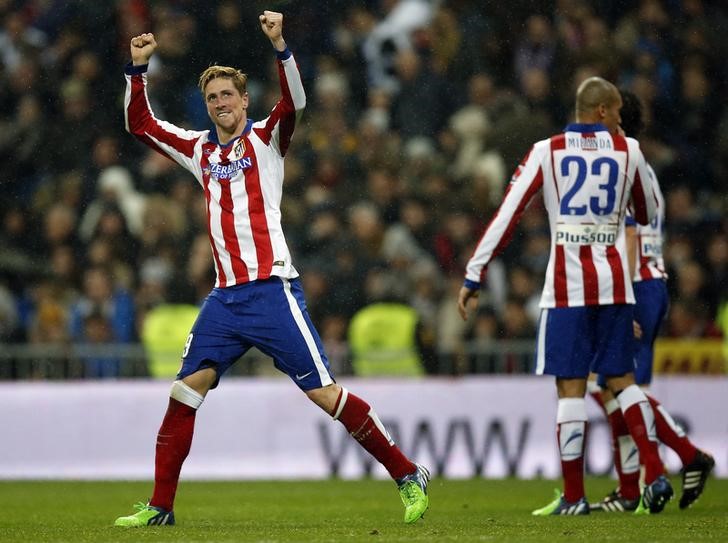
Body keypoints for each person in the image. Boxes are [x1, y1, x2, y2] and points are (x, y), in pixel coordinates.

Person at [114, 11, 429, 527]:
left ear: (244, 100)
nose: (221, 104)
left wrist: (281, 46)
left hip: (271, 290)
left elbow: (296, 102)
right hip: (225, 298)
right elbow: (140, 125)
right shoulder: (199, 150)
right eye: (213, 98)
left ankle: (407, 473)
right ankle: (161, 508)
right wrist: (137, 69)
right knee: (184, 390)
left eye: (228, 96)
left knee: (325, 394)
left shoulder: (266, 139)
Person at [458, 77, 672, 515]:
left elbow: (509, 212)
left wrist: (474, 273)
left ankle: (574, 497)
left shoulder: (547, 151)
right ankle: (657, 473)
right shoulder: (628, 151)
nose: (619, 122)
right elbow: (647, 212)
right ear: (601, 111)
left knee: (570, 388)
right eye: (615, 114)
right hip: (615, 284)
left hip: (567, 289)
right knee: (623, 381)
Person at [588, 90, 714, 513]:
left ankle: (670, 465)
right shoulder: (640, 162)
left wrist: (619, 298)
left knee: (617, 386)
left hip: (635, 283)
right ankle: (636, 485)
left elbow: (627, 234)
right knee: (611, 387)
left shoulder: (621, 161)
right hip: (648, 281)